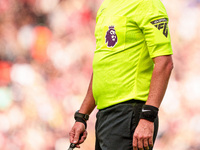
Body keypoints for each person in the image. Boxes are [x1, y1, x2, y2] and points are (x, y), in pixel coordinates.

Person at [69, 0, 173, 149]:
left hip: (130, 113)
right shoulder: (106, 6)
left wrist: (148, 116)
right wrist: (82, 116)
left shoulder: (147, 3)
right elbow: (103, 66)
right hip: (106, 115)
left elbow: (164, 63)